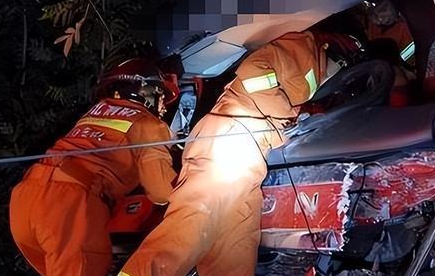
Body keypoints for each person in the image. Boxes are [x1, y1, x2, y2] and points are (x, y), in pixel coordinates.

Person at [120, 31, 363, 276]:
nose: (337, 75)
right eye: (341, 66)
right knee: (186, 233)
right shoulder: (303, 48)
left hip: (246, 157)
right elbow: (254, 71)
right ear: (334, 53)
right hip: (229, 140)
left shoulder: (312, 75)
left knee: (235, 252)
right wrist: (285, 114)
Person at [9, 59, 180, 276]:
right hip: (70, 204)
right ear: (146, 92)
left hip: (26, 198)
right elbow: (161, 190)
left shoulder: (94, 113)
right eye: (161, 96)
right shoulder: (149, 123)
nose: (163, 106)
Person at [359, 0, 417, 106]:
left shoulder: (405, 29)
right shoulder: (369, 24)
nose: (380, 17)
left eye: (383, 9)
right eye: (374, 14)